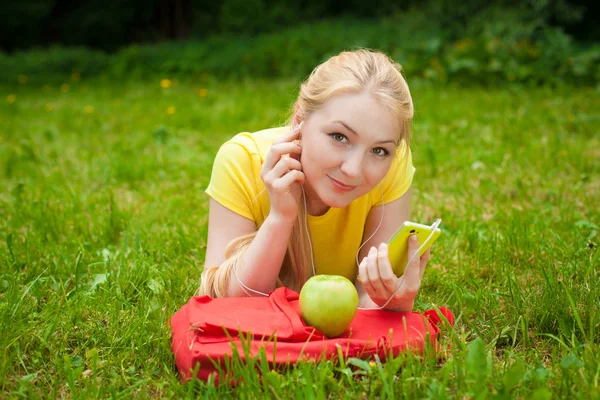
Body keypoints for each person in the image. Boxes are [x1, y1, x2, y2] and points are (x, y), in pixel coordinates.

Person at [198, 49, 432, 312]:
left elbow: (369, 299)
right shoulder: (242, 160)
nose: (353, 170)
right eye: (339, 136)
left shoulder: (392, 166)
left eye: (379, 150)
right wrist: (281, 216)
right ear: (300, 120)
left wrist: (392, 301)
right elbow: (224, 305)